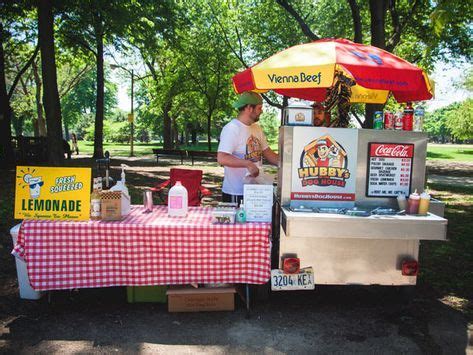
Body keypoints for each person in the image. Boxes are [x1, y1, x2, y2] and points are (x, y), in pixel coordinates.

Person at [217, 92, 279, 204]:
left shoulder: (257, 128)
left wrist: (289, 164)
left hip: (256, 191)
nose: (262, 111)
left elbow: (268, 153)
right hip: (236, 193)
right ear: (249, 108)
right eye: (259, 108)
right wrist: (248, 164)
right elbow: (222, 158)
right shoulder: (232, 128)